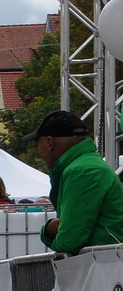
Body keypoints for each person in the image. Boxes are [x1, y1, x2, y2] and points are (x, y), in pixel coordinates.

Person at [29, 109, 123, 254]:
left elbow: (69, 241)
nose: (39, 151)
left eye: (38, 144)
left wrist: (46, 231)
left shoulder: (80, 171)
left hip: (107, 269)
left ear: (49, 142)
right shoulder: (89, 164)